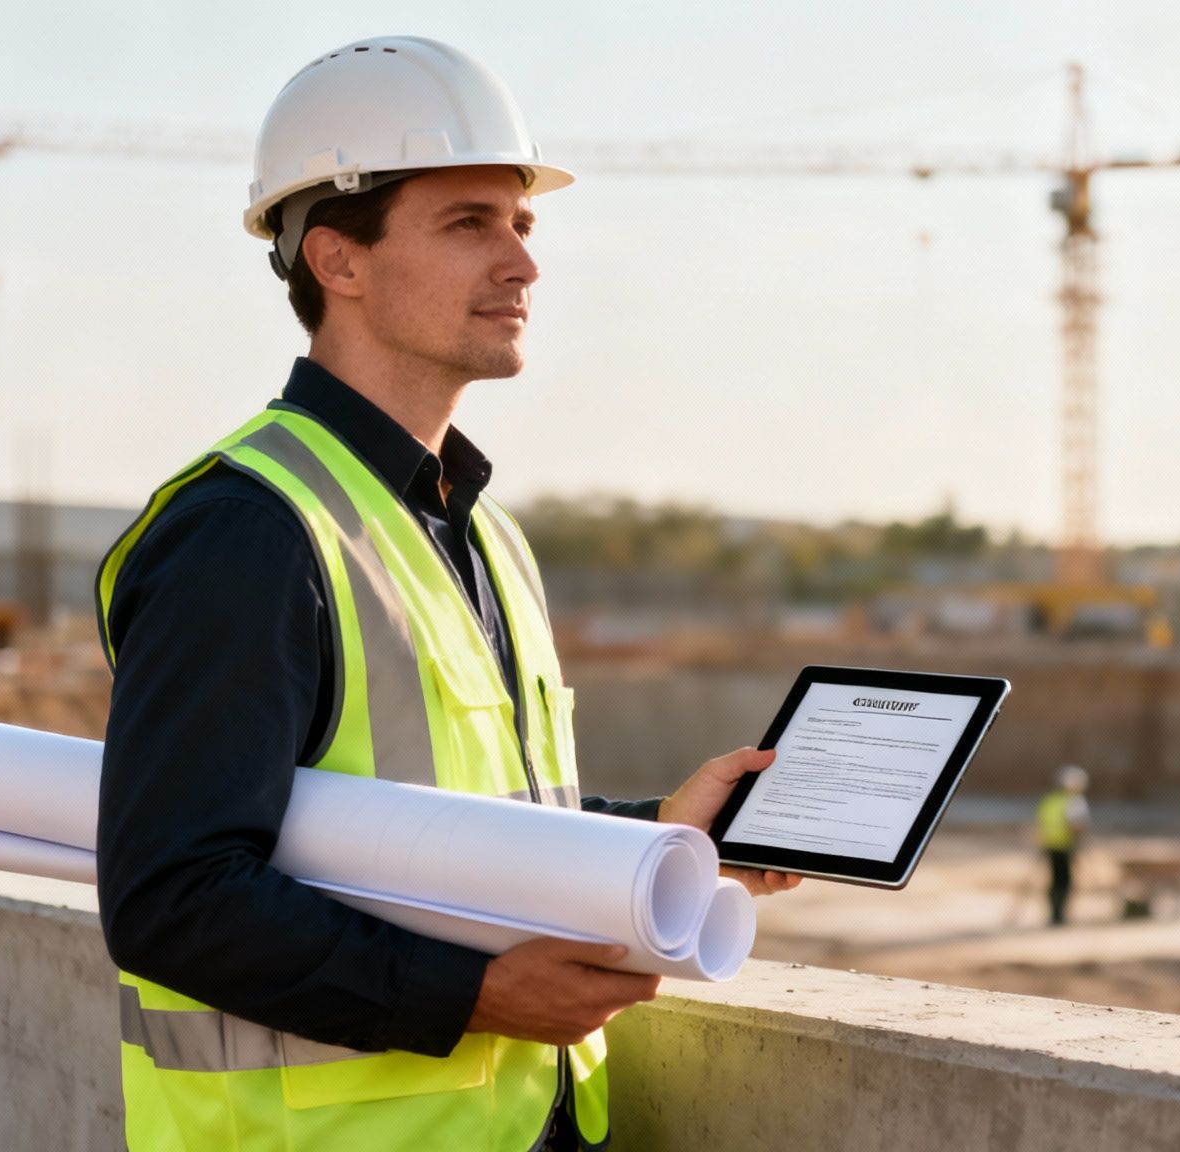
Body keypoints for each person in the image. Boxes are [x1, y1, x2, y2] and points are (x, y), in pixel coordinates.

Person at [92, 37, 800, 1152]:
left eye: (522, 226)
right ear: (339, 260)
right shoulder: (248, 530)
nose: (522, 264)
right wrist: (470, 997)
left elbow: (477, 824)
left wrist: (657, 830)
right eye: (469, 223)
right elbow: (173, 897)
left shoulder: (483, 533)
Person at [1035, 765, 1092, 926]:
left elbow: (1041, 821)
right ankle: (1058, 915)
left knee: (1055, 880)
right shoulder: (1074, 801)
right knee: (1064, 881)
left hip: (1049, 845)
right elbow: (1076, 825)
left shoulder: (1051, 800)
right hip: (1065, 846)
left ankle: (1055, 914)